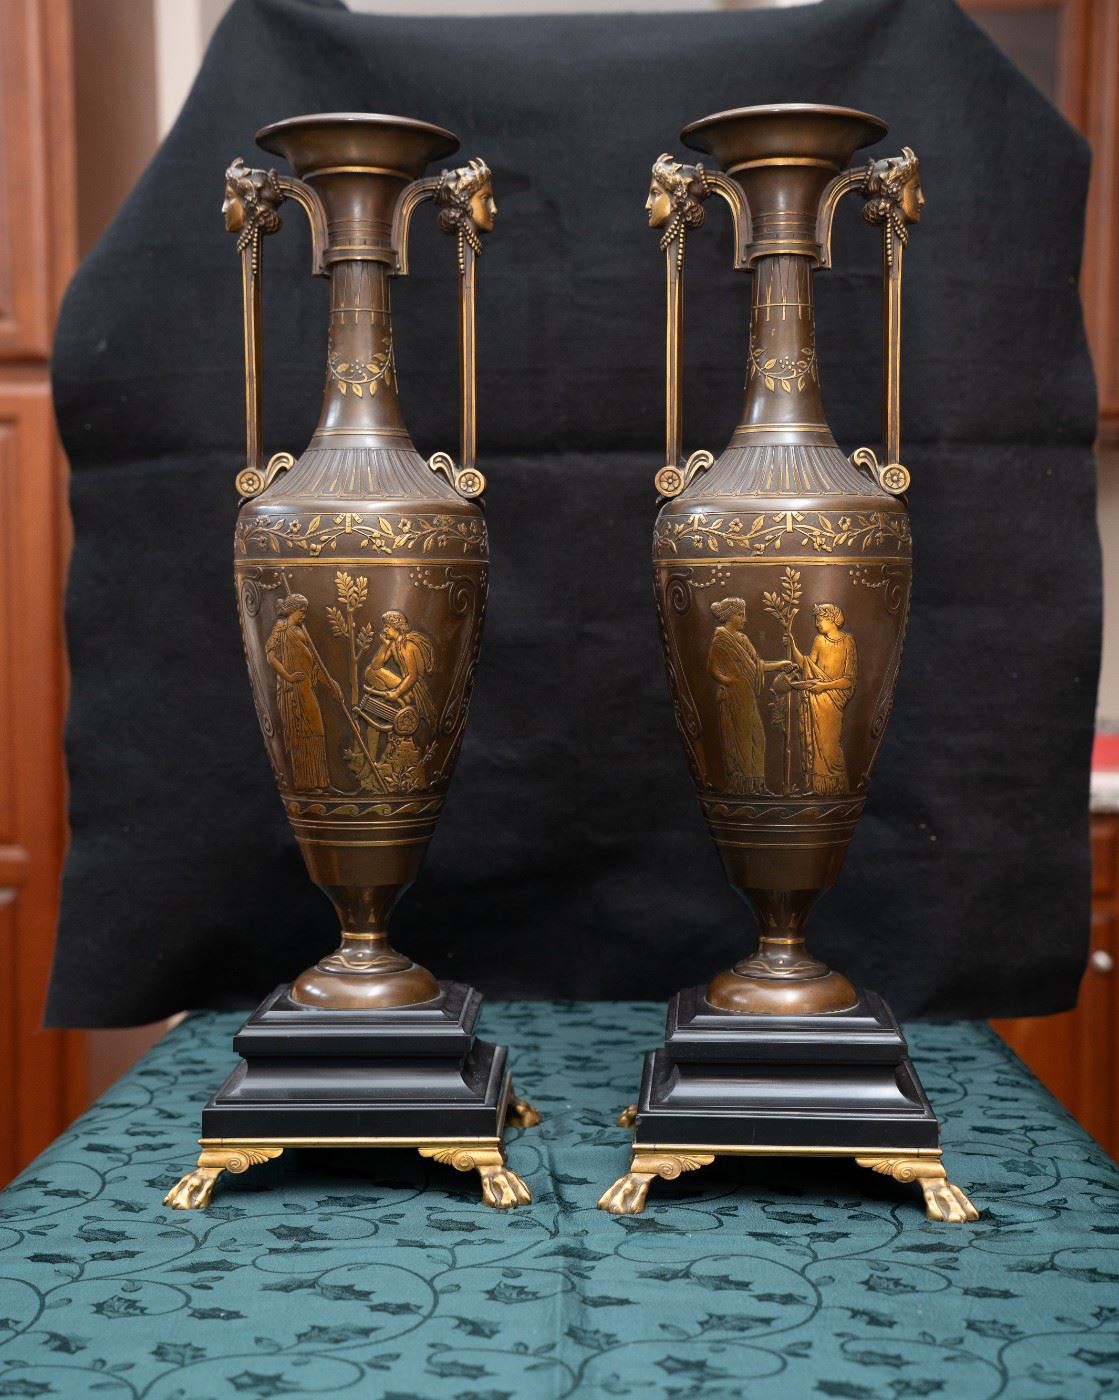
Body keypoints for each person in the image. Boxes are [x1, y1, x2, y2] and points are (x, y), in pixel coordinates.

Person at [707, 597, 792, 794]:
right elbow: (712, 669)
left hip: (746, 695)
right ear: (729, 616)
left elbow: (757, 666)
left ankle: (757, 785)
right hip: (734, 696)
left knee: (758, 737)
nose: (744, 619)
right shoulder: (721, 639)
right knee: (741, 739)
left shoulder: (742, 639)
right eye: (740, 614)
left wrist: (780, 664)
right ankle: (744, 787)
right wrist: (729, 682)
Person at [265, 593, 333, 791]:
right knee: (301, 733)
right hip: (292, 691)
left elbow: (313, 666)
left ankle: (318, 781)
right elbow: (270, 657)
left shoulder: (301, 630)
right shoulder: (281, 628)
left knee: (316, 730)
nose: (304, 614)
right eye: (302, 611)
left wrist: (331, 684)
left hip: (306, 688)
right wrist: (287, 675)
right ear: (293, 609)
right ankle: (305, 784)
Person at [789, 603, 858, 795]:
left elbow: (848, 680)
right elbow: (807, 665)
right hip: (816, 699)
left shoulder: (848, 642)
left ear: (832, 619)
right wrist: (793, 646)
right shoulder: (819, 641)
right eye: (816, 620)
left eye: (820, 619)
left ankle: (835, 788)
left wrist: (824, 687)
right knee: (815, 743)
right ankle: (817, 788)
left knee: (830, 746)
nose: (817, 624)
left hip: (832, 700)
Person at [361, 611, 437, 731]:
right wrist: (384, 645)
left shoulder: (406, 645)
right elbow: (376, 666)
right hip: (403, 684)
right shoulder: (394, 644)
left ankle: (396, 699)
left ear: (395, 626)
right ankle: (387, 699)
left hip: (414, 689)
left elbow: (413, 676)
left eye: (387, 626)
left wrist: (396, 693)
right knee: (371, 671)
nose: (384, 630)